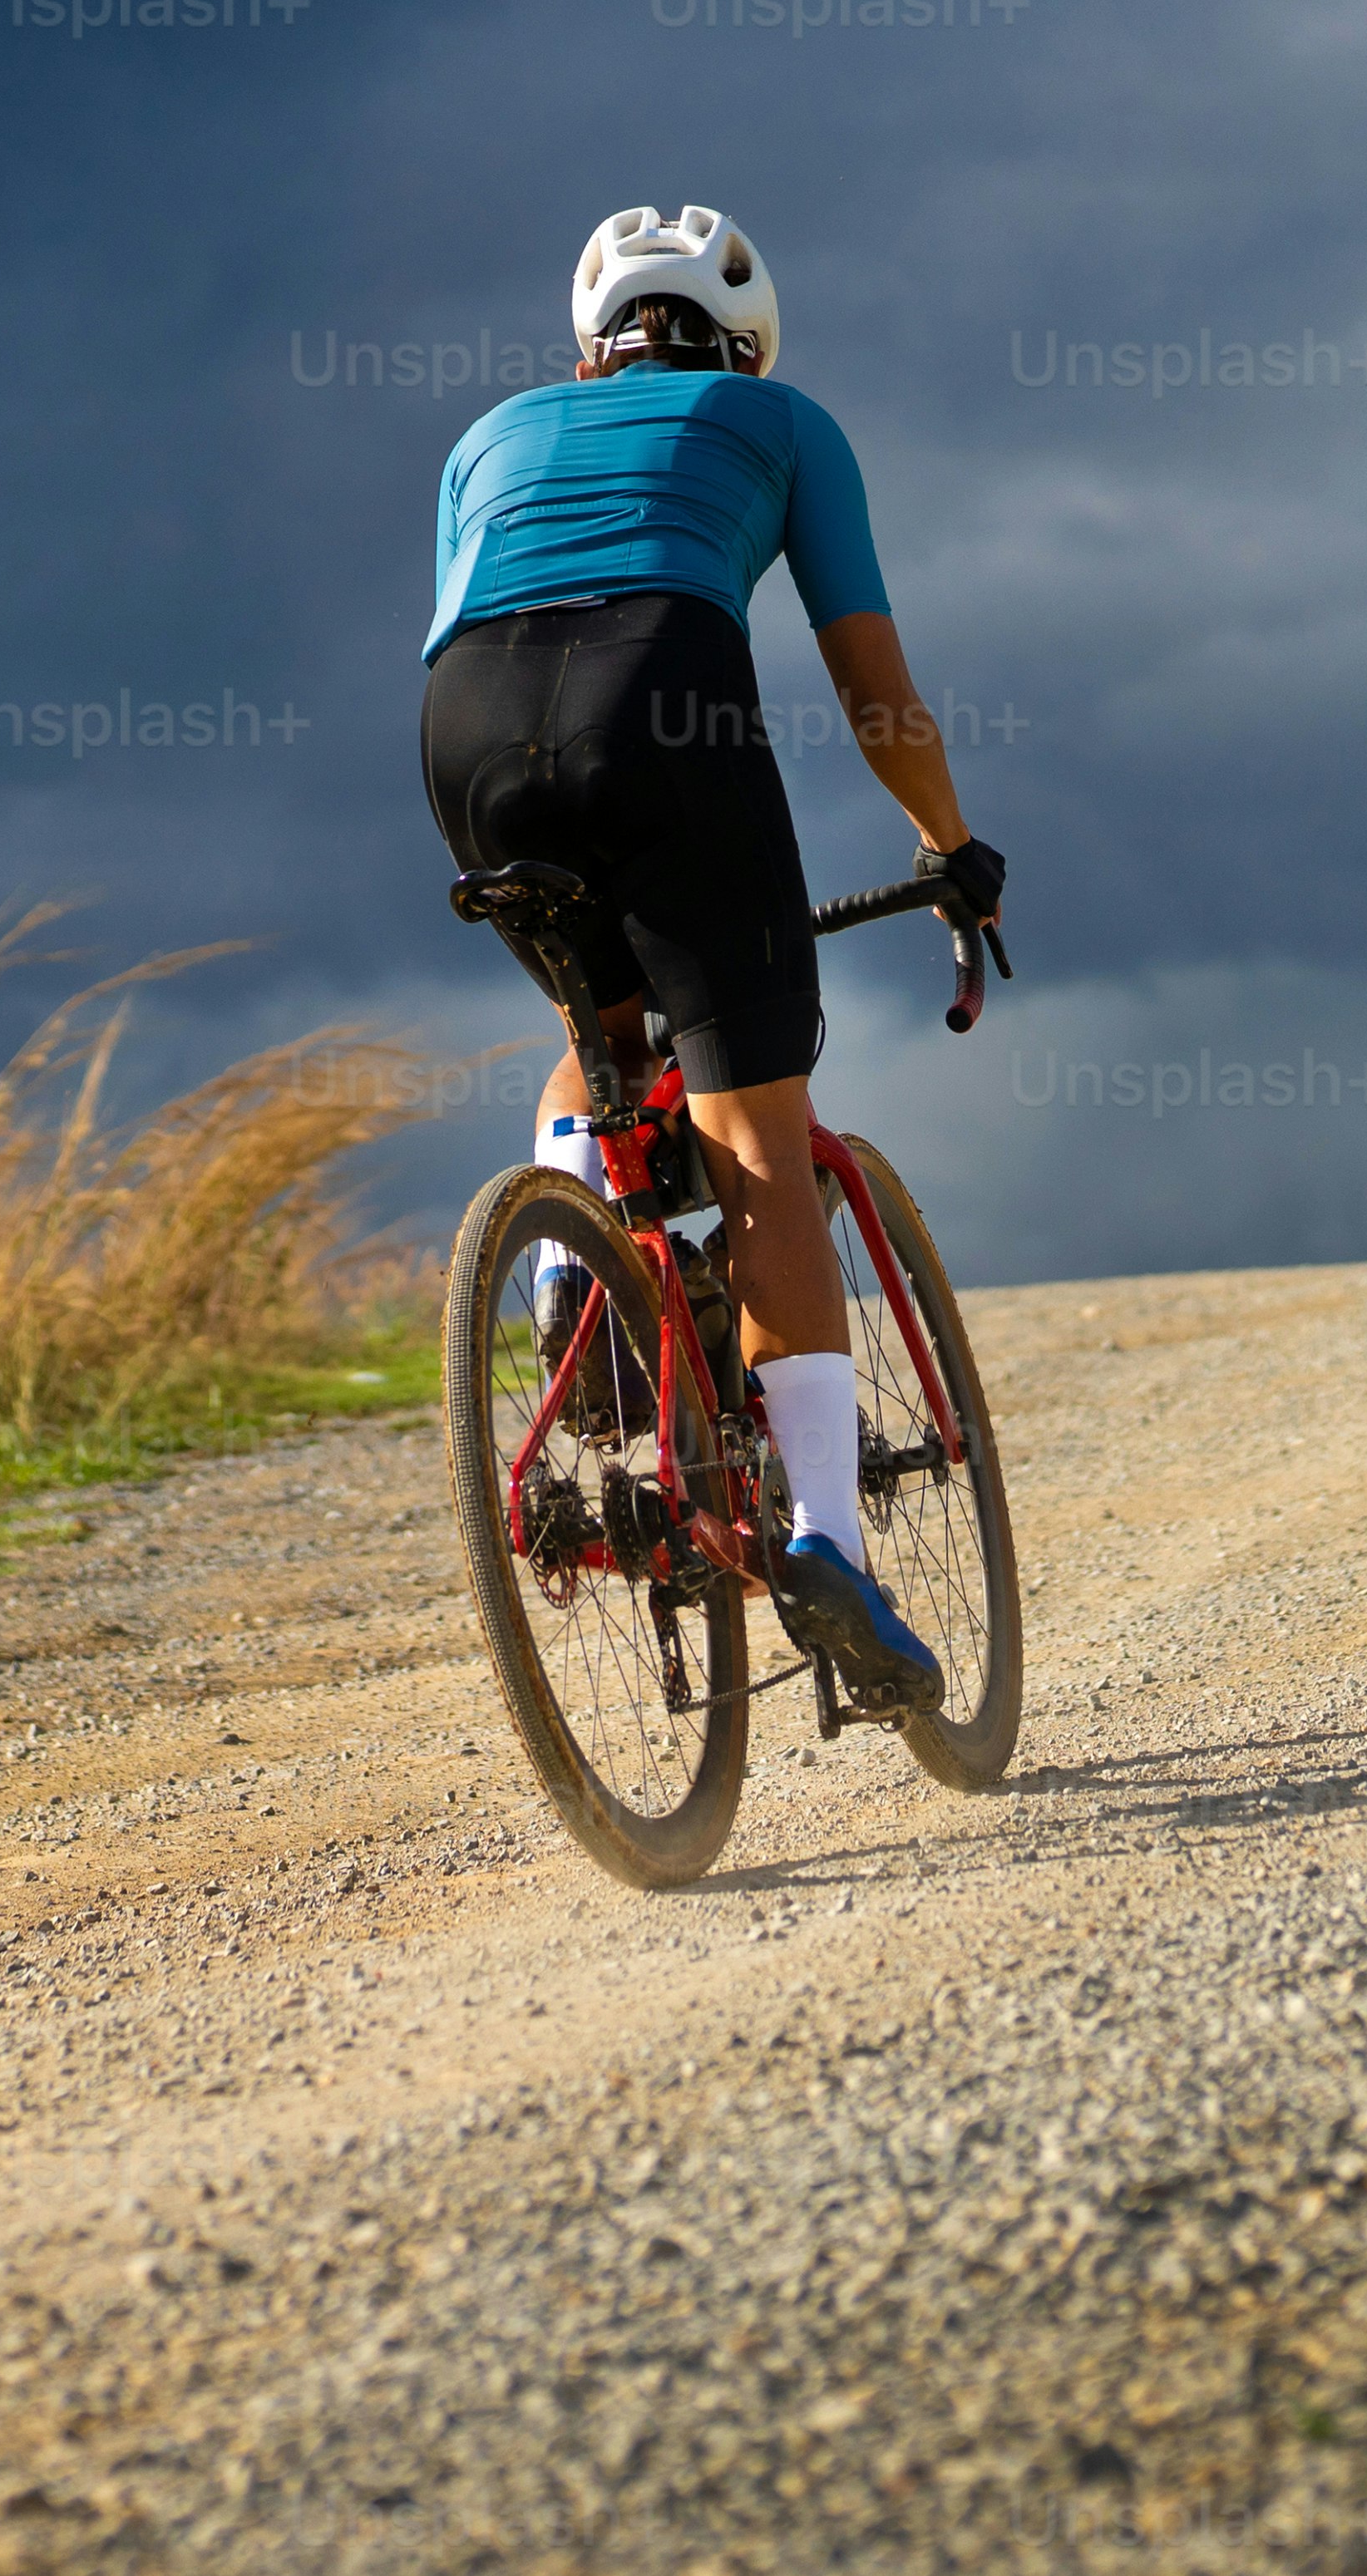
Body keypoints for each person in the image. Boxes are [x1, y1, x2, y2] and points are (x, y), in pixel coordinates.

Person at [416, 203, 1004, 1711]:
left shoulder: (489, 435)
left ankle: (569, 1264)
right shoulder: (778, 418)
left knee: (603, 1028)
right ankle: (826, 1538)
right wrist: (951, 844)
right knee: (757, 1128)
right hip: (660, 705)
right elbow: (872, 686)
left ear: (587, 345)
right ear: (742, 342)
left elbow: (470, 614)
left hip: (469, 738)